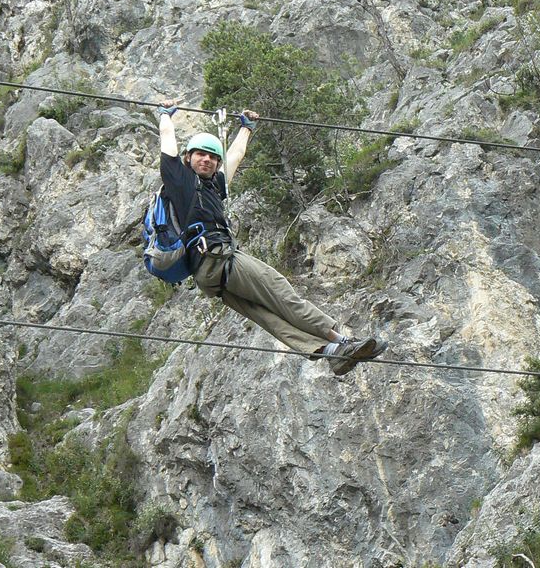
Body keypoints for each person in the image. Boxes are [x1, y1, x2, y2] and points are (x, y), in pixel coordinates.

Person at [156, 99, 387, 375]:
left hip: (209, 276)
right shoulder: (180, 181)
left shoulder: (215, 186)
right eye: (200, 155)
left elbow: (235, 157)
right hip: (218, 258)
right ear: (188, 158)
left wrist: (246, 129)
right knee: (280, 291)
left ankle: (331, 353)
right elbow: (168, 145)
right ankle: (343, 340)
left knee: (268, 315)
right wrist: (165, 116)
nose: (207, 159)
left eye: (212, 157)